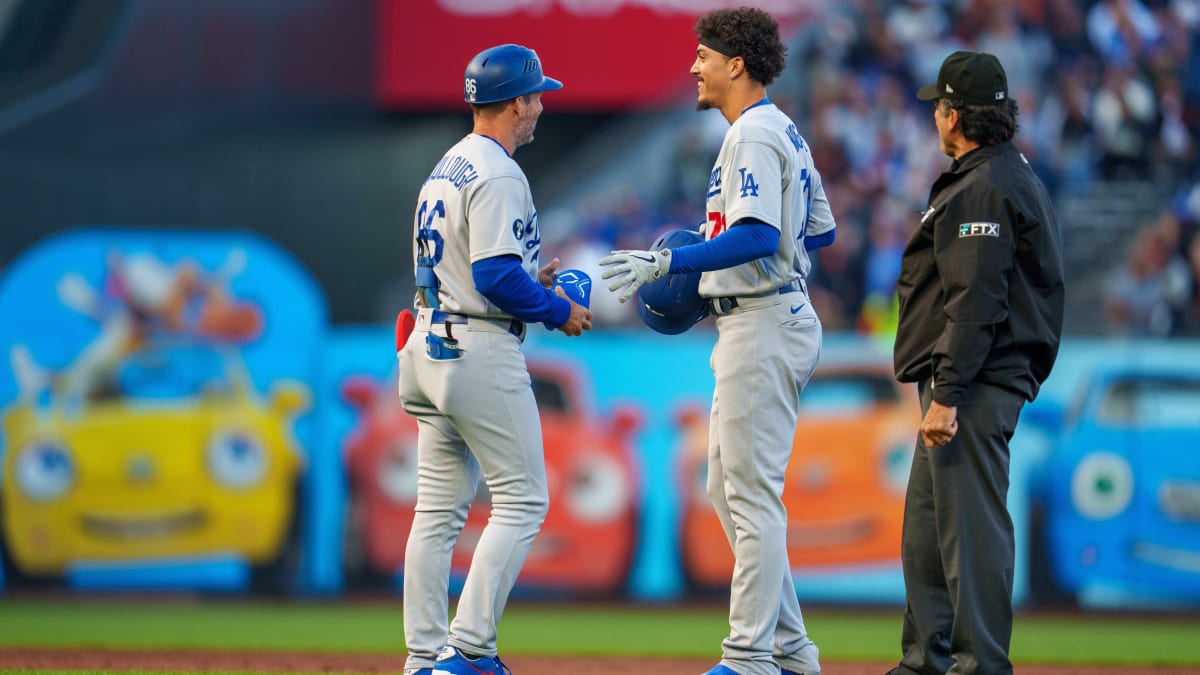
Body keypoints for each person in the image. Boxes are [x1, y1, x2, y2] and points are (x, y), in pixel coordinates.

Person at [600, 8, 834, 675]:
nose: (693, 65)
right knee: (726, 489)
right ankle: (791, 650)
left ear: (736, 63)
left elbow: (764, 236)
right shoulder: (779, 128)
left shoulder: (754, 133)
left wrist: (678, 262)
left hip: (763, 320)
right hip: (759, 313)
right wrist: (718, 257)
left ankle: (750, 655)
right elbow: (818, 233)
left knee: (751, 494)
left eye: (703, 55)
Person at [396, 43, 592, 675]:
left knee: (436, 512)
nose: (540, 107)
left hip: (428, 341)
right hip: (477, 344)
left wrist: (531, 281)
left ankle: (425, 656)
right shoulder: (502, 171)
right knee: (524, 499)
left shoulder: (449, 163)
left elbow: (486, 268)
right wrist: (555, 308)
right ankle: (471, 650)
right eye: (535, 97)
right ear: (514, 104)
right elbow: (494, 276)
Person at [891, 51, 1065, 675]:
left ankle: (980, 667)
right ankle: (926, 664)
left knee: (969, 536)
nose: (933, 118)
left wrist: (950, 392)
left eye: (938, 107)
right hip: (964, 379)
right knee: (927, 540)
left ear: (956, 115)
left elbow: (976, 301)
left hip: (973, 383)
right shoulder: (997, 175)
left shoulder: (986, 185)